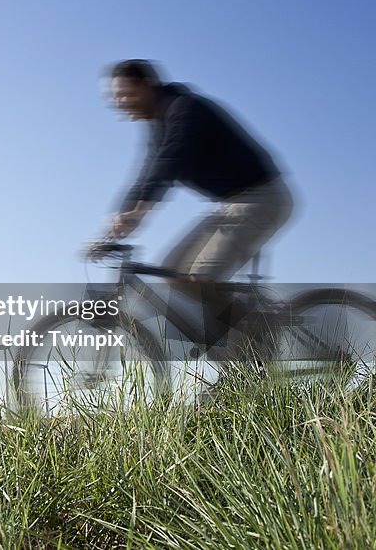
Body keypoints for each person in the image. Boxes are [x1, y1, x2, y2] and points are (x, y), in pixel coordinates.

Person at [91, 59, 294, 359]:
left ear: (144, 86)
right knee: (173, 271)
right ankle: (244, 342)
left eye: (123, 94)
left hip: (262, 198)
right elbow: (147, 171)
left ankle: (252, 351)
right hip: (233, 204)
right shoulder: (160, 125)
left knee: (201, 276)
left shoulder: (184, 109)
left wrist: (139, 212)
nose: (118, 103)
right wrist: (114, 224)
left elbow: (171, 161)